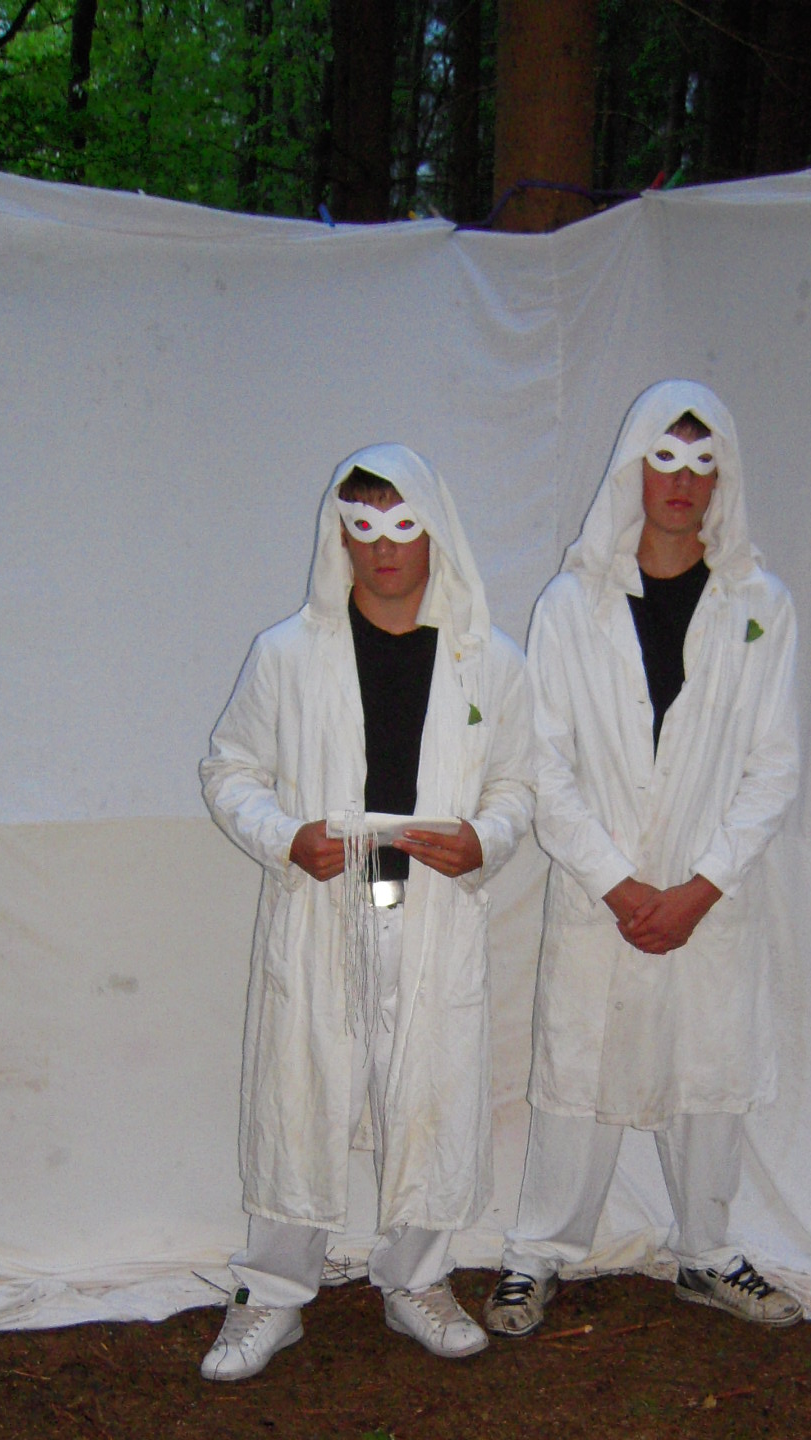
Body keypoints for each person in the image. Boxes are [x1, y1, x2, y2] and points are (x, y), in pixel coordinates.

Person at [200, 445, 532, 1381]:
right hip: (323, 910)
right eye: (365, 525)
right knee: (299, 1093)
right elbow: (229, 768)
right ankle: (272, 1293)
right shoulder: (287, 654)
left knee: (432, 1093)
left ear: (435, 531)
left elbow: (519, 780)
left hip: (431, 913)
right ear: (339, 534)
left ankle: (416, 1279)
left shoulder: (489, 660)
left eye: (403, 524)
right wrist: (283, 838)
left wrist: (486, 838)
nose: (385, 547)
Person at [485, 381, 801, 1339]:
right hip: (603, 893)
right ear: (632, 468)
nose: (682, 481)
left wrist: (701, 888)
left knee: (707, 1071)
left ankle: (706, 1251)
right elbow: (543, 761)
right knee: (577, 1069)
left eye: (703, 463)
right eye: (664, 458)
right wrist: (619, 885)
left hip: (709, 894)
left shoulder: (761, 606)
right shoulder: (571, 604)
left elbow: (774, 765)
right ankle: (537, 1253)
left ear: (724, 479)